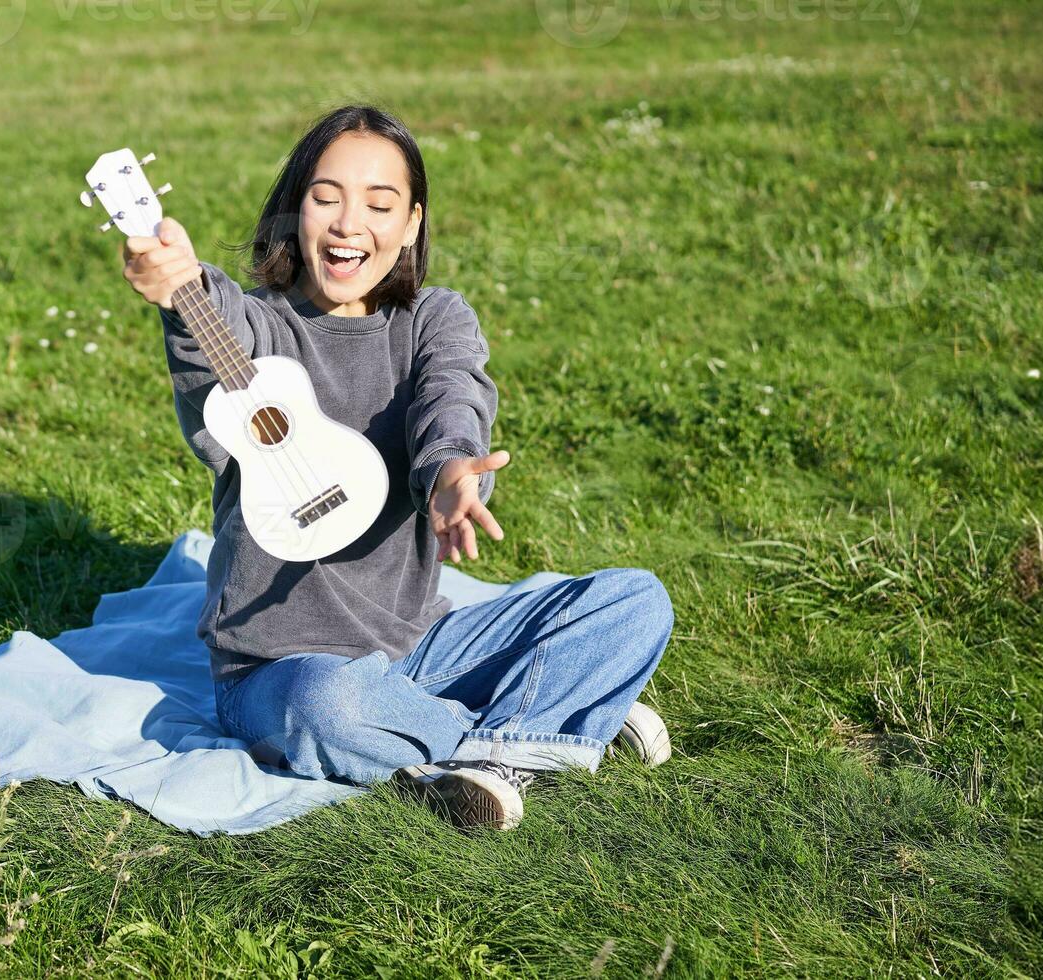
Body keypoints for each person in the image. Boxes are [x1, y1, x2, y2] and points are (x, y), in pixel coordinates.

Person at [118, 105, 675, 832]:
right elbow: (210, 337)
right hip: (280, 668)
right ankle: (546, 726)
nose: (350, 224)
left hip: (416, 642)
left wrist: (452, 474)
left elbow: (452, 403)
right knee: (327, 709)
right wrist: (178, 287)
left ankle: (489, 748)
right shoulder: (255, 323)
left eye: (379, 204)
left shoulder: (432, 320)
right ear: (294, 211)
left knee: (633, 600)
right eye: (326, 198)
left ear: (411, 223)